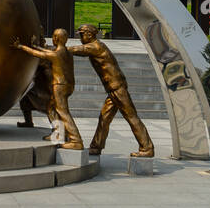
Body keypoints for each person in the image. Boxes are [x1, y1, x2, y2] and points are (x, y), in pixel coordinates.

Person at [69, 24, 153, 157]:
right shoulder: (96, 45)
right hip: (113, 88)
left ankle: (147, 148)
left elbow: (72, 50)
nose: (80, 37)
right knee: (104, 118)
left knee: (131, 117)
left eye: (82, 34)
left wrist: (49, 47)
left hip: (117, 88)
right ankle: (96, 147)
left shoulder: (95, 46)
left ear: (90, 34)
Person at [13, 29, 83, 150]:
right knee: (51, 108)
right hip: (68, 85)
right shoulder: (66, 52)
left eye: (54, 36)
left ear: (57, 39)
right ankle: (59, 133)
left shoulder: (54, 55)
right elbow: (46, 51)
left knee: (63, 112)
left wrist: (20, 46)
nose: (53, 38)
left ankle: (76, 140)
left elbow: (39, 55)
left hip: (59, 86)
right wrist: (36, 46)